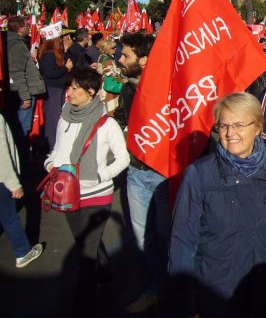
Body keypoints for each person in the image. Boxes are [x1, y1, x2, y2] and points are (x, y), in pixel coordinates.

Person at [168, 93, 266, 317]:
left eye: (239, 125)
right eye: (223, 125)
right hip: (215, 294)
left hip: (262, 293)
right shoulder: (199, 175)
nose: (229, 133)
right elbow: (182, 242)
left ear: (257, 127)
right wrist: (186, 305)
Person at [44, 67, 129, 317]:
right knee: (84, 242)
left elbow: (122, 159)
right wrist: (50, 164)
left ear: (91, 92)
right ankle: (104, 268)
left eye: (75, 88)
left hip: (97, 195)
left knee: (85, 254)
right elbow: (57, 150)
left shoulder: (107, 124)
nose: (68, 92)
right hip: (67, 193)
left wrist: (99, 176)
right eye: (69, 87)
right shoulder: (64, 116)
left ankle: (83, 306)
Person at [113, 33, 167, 313]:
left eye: (126, 56)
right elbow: (122, 121)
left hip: (165, 174)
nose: (119, 60)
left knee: (169, 235)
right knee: (143, 236)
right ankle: (155, 288)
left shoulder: (169, 85)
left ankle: (178, 290)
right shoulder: (126, 89)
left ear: (144, 60)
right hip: (136, 172)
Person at [0, 113, 43, 268]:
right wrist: (14, 184)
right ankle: (23, 252)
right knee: (9, 217)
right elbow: (2, 156)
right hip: (2, 180)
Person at [6, 16, 46, 150]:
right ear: (19, 28)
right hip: (22, 92)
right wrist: (25, 96)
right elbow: (17, 72)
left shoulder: (15, 42)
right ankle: (22, 159)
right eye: (27, 25)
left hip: (19, 91)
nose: (29, 28)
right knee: (22, 128)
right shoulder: (16, 45)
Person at [37, 36, 73, 152]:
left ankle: (54, 142)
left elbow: (67, 62)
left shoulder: (55, 53)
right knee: (53, 116)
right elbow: (50, 73)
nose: (63, 42)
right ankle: (51, 145)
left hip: (58, 87)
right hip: (52, 88)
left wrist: (66, 52)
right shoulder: (48, 54)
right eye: (61, 40)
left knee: (57, 115)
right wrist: (65, 68)